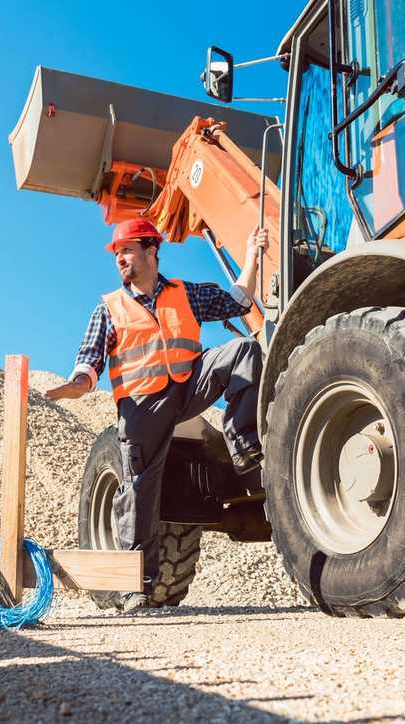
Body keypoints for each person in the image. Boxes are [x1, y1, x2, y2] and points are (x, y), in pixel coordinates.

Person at [46, 217, 267, 612]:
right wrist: (79, 383)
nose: (120, 259)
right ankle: (135, 586)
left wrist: (251, 255)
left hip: (186, 386)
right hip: (141, 407)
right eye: (117, 253)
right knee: (141, 493)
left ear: (151, 251)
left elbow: (238, 301)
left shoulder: (184, 293)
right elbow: (88, 359)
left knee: (245, 351)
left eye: (127, 250)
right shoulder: (109, 308)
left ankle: (242, 443)